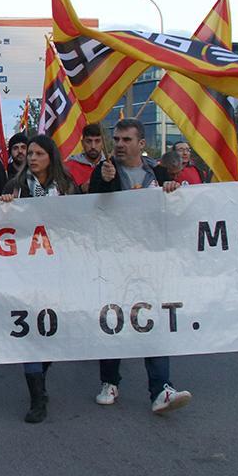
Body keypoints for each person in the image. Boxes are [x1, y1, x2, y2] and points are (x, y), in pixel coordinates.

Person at [89, 119, 192, 414]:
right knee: (112, 319)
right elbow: (89, 205)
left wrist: (172, 189)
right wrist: (104, 181)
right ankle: (109, 381)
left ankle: (161, 389)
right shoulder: (105, 170)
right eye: (117, 139)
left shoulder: (158, 173)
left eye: (126, 140)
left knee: (153, 319)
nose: (119, 144)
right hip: (113, 260)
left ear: (141, 144)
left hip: (150, 260)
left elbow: (175, 209)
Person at [0, 134, 79, 422]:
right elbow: (1, 226)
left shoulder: (68, 187)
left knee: (50, 330)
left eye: (38, 154)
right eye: (29, 153)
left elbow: (80, 223)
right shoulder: (16, 187)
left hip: (58, 272)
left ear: (50, 157)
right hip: (25, 272)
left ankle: (41, 376)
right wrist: (5, 205)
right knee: (30, 335)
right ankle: (37, 398)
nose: (31, 158)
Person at [65, 123, 106, 193]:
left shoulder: (110, 166)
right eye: (89, 141)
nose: (93, 146)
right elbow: (62, 195)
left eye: (97, 141)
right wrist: (80, 189)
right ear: (82, 143)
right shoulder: (68, 167)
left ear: (103, 143)